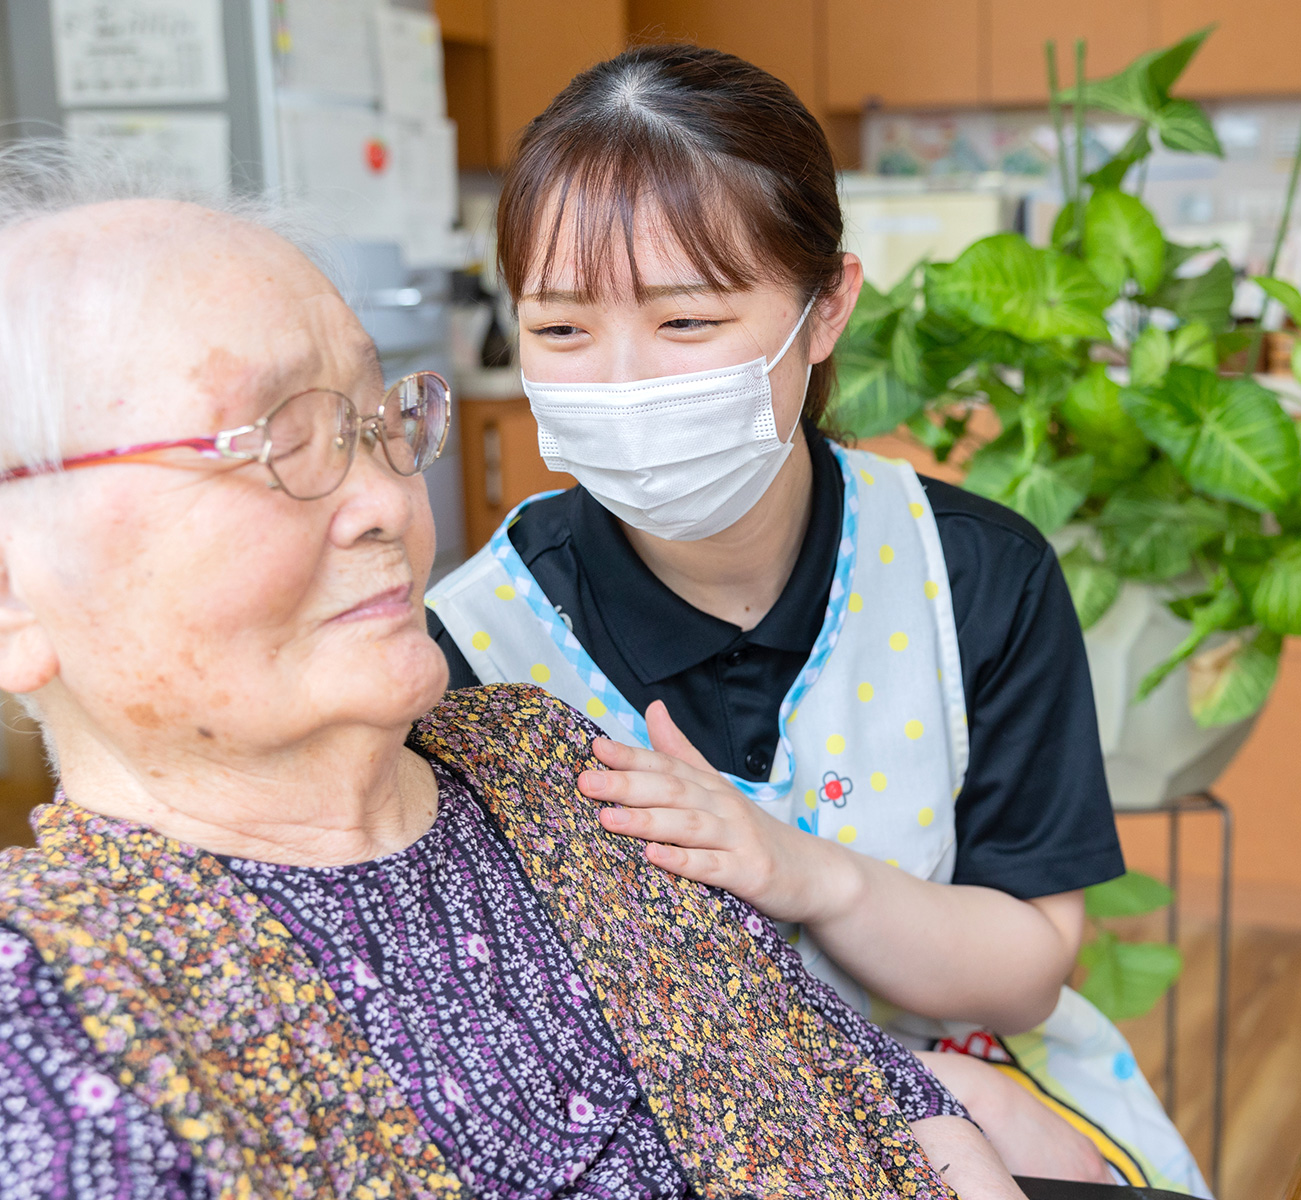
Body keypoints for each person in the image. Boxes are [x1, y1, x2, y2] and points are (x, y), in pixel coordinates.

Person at [0, 144, 1024, 1200]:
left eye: (373, 422)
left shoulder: (543, 760)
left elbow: (865, 1094)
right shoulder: (52, 1024)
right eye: (282, 444)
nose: (393, 509)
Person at [425, 44, 1203, 1193]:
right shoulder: (473, 649)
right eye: (562, 330)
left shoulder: (973, 578)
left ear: (826, 307)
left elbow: (1027, 969)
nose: (623, 381)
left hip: (997, 1100)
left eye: (686, 322)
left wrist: (804, 873)